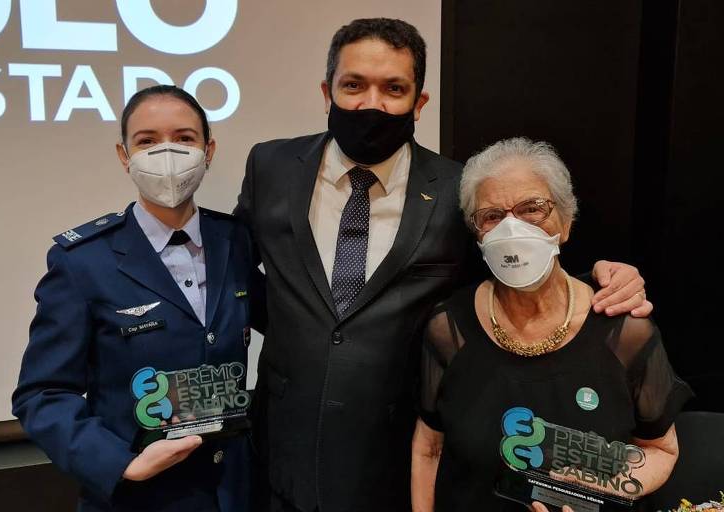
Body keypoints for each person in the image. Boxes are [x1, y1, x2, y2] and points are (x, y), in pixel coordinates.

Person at [236, 18, 651, 512]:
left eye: (394, 88)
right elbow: (233, 273)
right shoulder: (271, 167)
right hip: (285, 447)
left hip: (398, 455)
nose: (372, 103)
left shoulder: (456, 190)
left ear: (419, 101)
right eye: (353, 85)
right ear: (327, 92)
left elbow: (512, 275)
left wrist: (600, 278)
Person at [12, 85, 263, 512]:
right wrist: (121, 465)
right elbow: (43, 393)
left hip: (233, 489)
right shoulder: (83, 261)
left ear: (209, 150)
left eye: (184, 139)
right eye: (147, 141)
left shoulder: (236, 240)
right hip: (141, 496)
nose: (167, 153)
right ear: (124, 155)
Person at [411, 137, 693, 511]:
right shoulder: (448, 328)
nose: (511, 229)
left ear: (565, 222)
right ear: (476, 232)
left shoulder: (623, 330)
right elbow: (429, 449)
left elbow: (660, 450)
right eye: (492, 216)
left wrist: (604, 488)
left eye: (532, 208)